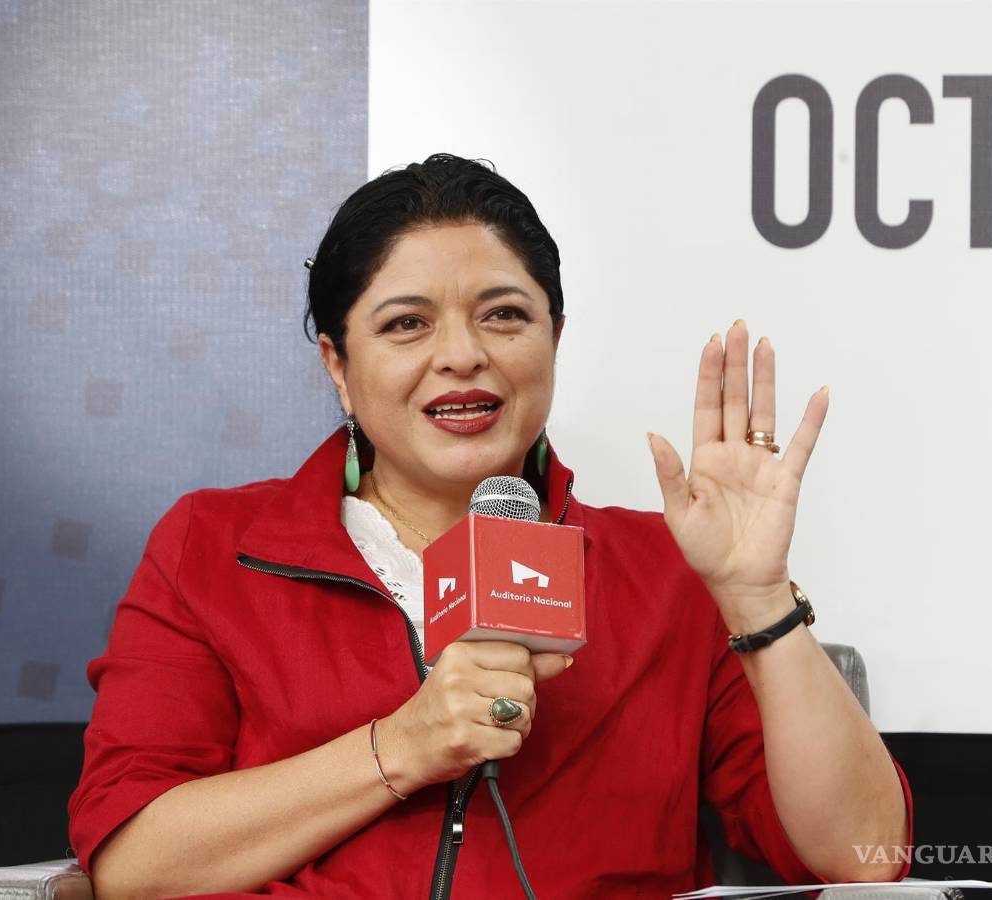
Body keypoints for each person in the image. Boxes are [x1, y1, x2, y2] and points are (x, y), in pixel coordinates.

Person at [67, 153, 913, 899]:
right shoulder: (214, 548)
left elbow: (864, 859)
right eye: (406, 324)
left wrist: (755, 595)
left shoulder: (667, 573)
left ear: (555, 338)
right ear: (337, 363)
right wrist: (403, 747)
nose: (463, 354)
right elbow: (135, 861)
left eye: (504, 314)